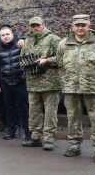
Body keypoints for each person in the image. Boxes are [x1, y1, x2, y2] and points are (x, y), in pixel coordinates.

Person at [54, 15, 95, 163]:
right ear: (72, 26)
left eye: (83, 25)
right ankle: (75, 145)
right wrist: (68, 80)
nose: (80, 28)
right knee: (73, 119)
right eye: (77, 25)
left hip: (94, 89)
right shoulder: (63, 44)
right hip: (71, 89)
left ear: (89, 26)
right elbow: (60, 64)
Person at [20, 17, 61, 150]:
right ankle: (35, 136)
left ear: (43, 25)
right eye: (32, 26)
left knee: (50, 112)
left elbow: (62, 57)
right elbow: (21, 59)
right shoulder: (27, 41)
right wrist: (24, 65)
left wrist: (47, 60)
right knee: (34, 111)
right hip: (33, 82)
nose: (35, 28)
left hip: (50, 83)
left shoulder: (53, 39)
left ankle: (49, 139)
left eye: (37, 25)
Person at [0, 27, 30, 141]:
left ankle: (28, 132)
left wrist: (24, 39)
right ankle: (11, 131)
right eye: (3, 35)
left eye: (7, 34)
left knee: (24, 108)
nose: (6, 37)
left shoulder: (20, 45)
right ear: (0, 37)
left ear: (12, 35)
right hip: (6, 83)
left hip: (21, 82)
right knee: (9, 108)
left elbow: (31, 41)